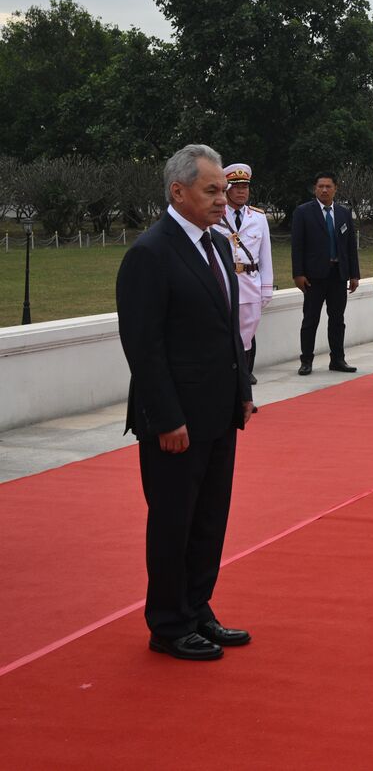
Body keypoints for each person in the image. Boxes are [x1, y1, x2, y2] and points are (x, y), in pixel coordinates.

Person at [115, 144, 255, 661]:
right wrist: (167, 417)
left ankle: (197, 607)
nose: (223, 199)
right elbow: (143, 347)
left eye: (223, 190)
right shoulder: (150, 253)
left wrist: (242, 392)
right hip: (175, 421)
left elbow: (229, 331)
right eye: (211, 190)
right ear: (179, 191)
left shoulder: (217, 245)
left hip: (218, 412)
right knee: (174, 521)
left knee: (209, 518)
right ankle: (169, 622)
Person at [290, 171, 360, 375]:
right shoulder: (303, 212)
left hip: (338, 274)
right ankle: (306, 360)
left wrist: (354, 274)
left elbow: (349, 247)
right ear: (315, 188)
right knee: (310, 319)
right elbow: (297, 246)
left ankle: (338, 359)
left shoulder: (344, 213)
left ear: (335, 188)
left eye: (328, 186)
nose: (324, 190)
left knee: (337, 319)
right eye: (320, 186)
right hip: (313, 276)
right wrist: (298, 274)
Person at [214, 163, 273, 384]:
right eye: (236, 186)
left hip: (250, 284)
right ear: (227, 189)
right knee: (223, 337)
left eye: (245, 186)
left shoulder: (258, 217)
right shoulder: (215, 215)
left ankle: (242, 384)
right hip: (223, 283)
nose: (241, 191)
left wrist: (266, 288)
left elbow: (265, 256)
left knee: (246, 340)